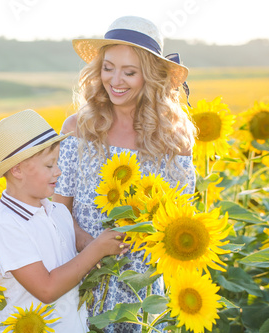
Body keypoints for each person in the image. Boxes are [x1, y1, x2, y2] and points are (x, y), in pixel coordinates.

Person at [52, 16, 197, 332]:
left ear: (151, 77)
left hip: (141, 287)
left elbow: (176, 219)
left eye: (129, 72)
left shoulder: (174, 138)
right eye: (108, 67)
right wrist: (92, 247)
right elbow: (58, 207)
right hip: (81, 277)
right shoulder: (78, 129)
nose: (115, 80)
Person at [0, 109, 129, 333]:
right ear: (17, 169)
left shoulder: (58, 212)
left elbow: (73, 266)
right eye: (49, 165)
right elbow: (47, 288)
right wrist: (97, 250)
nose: (59, 172)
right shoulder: (6, 224)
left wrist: (104, 246)